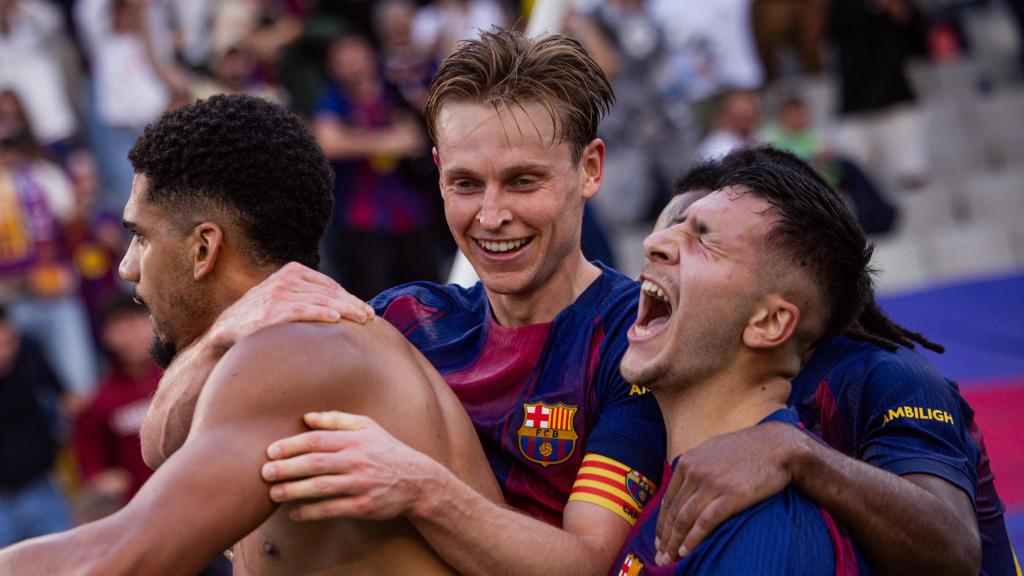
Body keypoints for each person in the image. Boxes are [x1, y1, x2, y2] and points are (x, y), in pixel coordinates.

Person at [158, 28, 667, 576]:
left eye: (522, 181)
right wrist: (227, 332)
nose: (491, 216)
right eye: (466, 183)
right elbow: (166, 447)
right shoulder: (405, 319)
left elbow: (590, 565)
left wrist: (419, 488)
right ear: (438, 172)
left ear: (589, 168)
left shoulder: (636, 334)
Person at [0, 93, 501, 575]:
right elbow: (159, 443)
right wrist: (218, 339)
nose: (128, 266)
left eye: (142, 236)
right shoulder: (288, 344)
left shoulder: (291, 354)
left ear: (204, 250)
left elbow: (123, 560)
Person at [649, 151, 988, 575]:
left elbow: (955, 550)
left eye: (702, 238)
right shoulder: (678, 384)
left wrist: (794, 450)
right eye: (667, 232)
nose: (657, 252)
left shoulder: (884, 375)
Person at [615, 147, 874, 574]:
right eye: (675, 227)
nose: (654, 242)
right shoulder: (688, 481)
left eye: (702, 239)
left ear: (769, 322)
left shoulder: (766, 533)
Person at [73, 293, 161, 505]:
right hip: (141, 506)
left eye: (137, 323)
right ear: (106, 337)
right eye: (120, 328)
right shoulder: (99, 402)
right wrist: (98, 477)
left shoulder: (181, 375)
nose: (132, 335)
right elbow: (89, 457)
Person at [0, 305, 73, 547]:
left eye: (9, 342)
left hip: (41, 483)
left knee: (61, 556)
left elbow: (64, 397)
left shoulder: (28, 350)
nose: (5, 353)